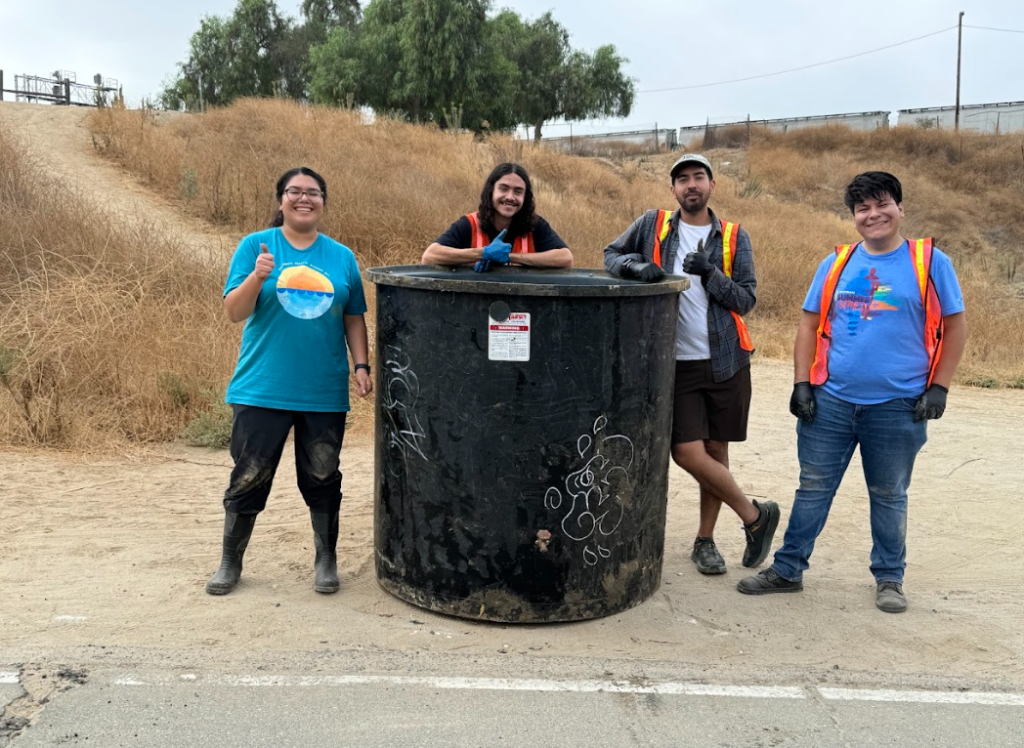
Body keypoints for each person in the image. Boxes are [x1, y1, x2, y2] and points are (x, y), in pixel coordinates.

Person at [737, 171, 966, 613]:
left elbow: (955, 327)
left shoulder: (931, 261)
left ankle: (889, 578)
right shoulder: (837, 263)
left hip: (899, 405)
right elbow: (808, 324)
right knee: (814, 488)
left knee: (888, 494)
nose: (873, 215)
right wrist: (801, 382)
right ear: (854, 216)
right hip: (832, 401)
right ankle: (787, 570)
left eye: (882, 204)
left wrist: (939, 387)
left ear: (900, 208)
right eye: (863, 208)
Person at [604, 153, 779, 575]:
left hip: (726, 360)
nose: (691, 185)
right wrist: (635, 265)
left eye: (698, 177)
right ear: (673, 190)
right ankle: (755, 516)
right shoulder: (652, 224)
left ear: (712, 185)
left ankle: (705, 541)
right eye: (682, 179)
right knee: (686, 451)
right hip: (674, 361)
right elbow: (611, 254)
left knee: (717, 450)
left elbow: (747, 300)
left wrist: (710, 274)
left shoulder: (735, 236)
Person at [206, 166, 373, 596]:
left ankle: (325, 558)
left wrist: (361, 367)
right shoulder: (255, 246)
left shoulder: (341, 257)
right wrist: (257, 276)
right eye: (294, 192)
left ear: (323, 201)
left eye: (313, 192)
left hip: (322, 389)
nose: (304, 199)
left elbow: (354, 317)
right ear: (280, 199)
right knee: (250, 474)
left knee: (322, 475)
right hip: (263, 386)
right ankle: (230, 560)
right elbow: (234, 311)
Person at [422, 162, 573, 271]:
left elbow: (565, 258)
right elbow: (430, 256)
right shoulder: (469, 224)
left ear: (525, 197)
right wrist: (482, 253)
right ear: (491, 191)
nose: (510, 197)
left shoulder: (535, 224)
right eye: (503, 189)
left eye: (518, 191)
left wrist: (510, 257)